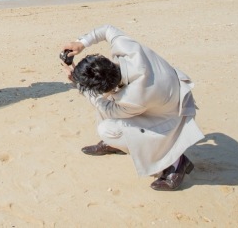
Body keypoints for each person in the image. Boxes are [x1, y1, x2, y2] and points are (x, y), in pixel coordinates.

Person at [60, 24, 204, 191]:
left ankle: (176, 163)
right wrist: (81, 43)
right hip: (168, 92)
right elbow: (107, 29)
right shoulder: (127, 50)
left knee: (107, 129)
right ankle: (115, 145)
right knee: (106, 100)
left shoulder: (133, 98)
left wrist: (78, 84)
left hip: (173, 113)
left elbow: (103, 106)